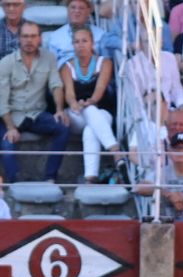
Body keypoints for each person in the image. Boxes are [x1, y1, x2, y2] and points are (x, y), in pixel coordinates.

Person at [0, 22, 68, 182]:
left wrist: (59, 109)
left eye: (33, 36)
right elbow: (1, 100)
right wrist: (10, 127)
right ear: (18, 39)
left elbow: (56, 85)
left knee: (63, 127)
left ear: (40, 38)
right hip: (11, 115)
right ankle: (15, 182)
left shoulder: (49, 58)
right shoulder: (5, 63)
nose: (29, 40)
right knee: (7, 144)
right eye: (25, 36)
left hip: (36, 114)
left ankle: (50, 177)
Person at [61, 26, 115, 182]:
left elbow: (100, 89)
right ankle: (115, 150)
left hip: (101, 112)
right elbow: (69, 94)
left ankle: (90, 177)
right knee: (89, 113)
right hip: (76, 114)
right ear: (72, 45)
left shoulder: (104, 62)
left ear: (92, 43)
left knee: (90, 130)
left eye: (84, 41)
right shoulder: (67, 66)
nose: (80, 45)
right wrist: (75, 104)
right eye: (76, 42)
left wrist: (90, 102)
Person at [0, 0, 26, 66]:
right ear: (3, 7)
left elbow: (36, 57)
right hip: (0, 69)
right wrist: (3, 70)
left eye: (16, 5)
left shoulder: (31, 28)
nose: (11, 8)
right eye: (7, 5)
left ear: (23, 7)